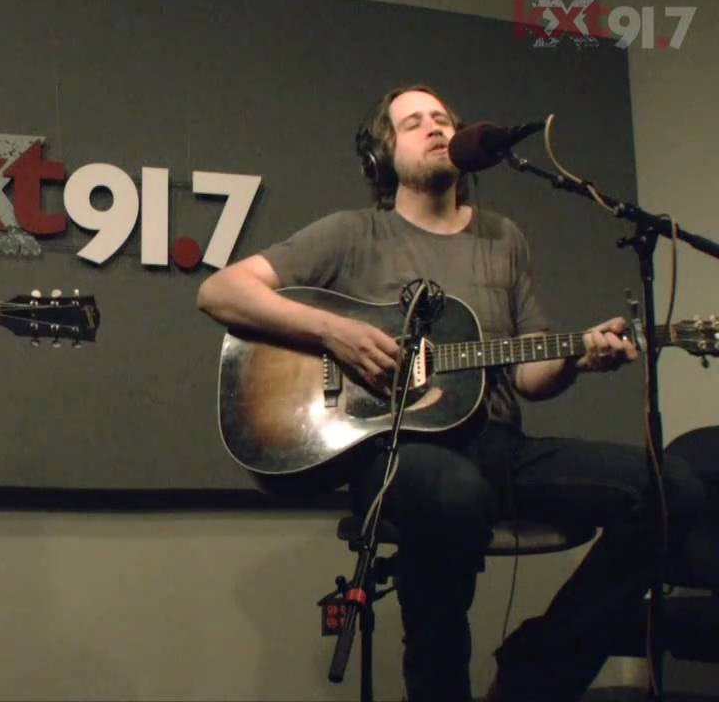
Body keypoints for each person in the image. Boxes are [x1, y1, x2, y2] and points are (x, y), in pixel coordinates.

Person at [196, 84, 703, 701]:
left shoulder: (502, 238)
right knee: (454, 496)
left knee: (674, 487)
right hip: (396, 453)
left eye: (443, 119)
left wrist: (577, 358)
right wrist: (335, 332)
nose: (435, 128)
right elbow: (221, 291)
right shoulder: (353, 233)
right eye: (414, 122)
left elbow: (529, 376)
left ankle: (539, 666)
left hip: (500, 445)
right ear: (383, 156)